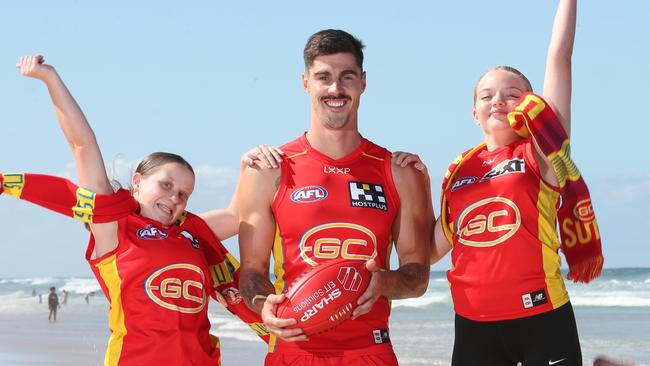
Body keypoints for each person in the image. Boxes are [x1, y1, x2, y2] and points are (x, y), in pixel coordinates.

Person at [5, 55, 279, 365]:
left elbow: (240, 217)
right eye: (165, 185)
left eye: (183, 194)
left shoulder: (192, 233)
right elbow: (83, 145)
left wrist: (248, 167)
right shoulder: (114, 228)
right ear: (137, 182)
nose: (174, 197)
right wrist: (50, 79)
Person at [237, 29, 433, 365]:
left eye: (347, 77)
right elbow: (252, 271)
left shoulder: (398, 172)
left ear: (363, 82)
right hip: (294, 351)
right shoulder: (269, 170)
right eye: (323, 77)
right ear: (305, 82)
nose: (335, 89)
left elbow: (416, 278)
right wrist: (262, 306)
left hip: (370, 351)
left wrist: (384, 282)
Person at [421, 0, 600, 365]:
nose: (498, 101)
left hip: (542, 316)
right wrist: (415, 183)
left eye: (512, 94)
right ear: (475, 113)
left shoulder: (538, 152)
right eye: (487, 96)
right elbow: (428, 250)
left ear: (530, 104)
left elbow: (559, 56)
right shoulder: (458, 171)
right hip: (473, 324)